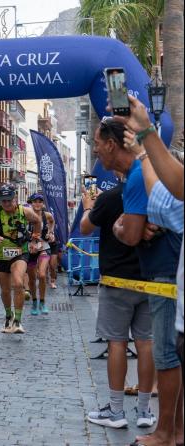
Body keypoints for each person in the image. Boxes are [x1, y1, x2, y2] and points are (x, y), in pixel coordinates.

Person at [93, 116, 183, 446]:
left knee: (167, 356)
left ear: (112, 144)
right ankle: (175, 430)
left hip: (164, 273)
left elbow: (131, 235)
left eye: (97, 144)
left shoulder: (135, 176)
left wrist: (120, 226)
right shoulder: (141, 173)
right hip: (163, 272)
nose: (95, 150)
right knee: (167, 352)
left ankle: (165, 432)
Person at [81, 177, 155, 429]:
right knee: (146, 344)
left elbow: (84, 228)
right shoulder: (154, 195)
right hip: (149, 280)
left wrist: (88, 206)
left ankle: (115, 411)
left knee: (117, 343)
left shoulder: (110, 197)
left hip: (116, 281)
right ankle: (144, 410)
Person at [0, 185, 43, 334]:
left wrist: (35, 239)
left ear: (15, 198)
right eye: (3, 201)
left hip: (20, 252)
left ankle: (18, 321)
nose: (7, 203)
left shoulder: (24, 211)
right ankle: (9, 315)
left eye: (9, 200)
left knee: (18, 283)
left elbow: (38, 221)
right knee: (6, 290)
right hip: (1, 255)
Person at [25, 193, 55, 315]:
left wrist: (51, 233)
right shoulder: (26, 214)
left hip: (44, 247)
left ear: (43, 204)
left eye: (40, 201)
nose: (37, 204)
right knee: (32, 278)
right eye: (35, 201)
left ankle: (42, 302)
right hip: (30, 248)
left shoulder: (46, 215)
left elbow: (52, 222)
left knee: (42, 275)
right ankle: (34, 302)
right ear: (31, 203)